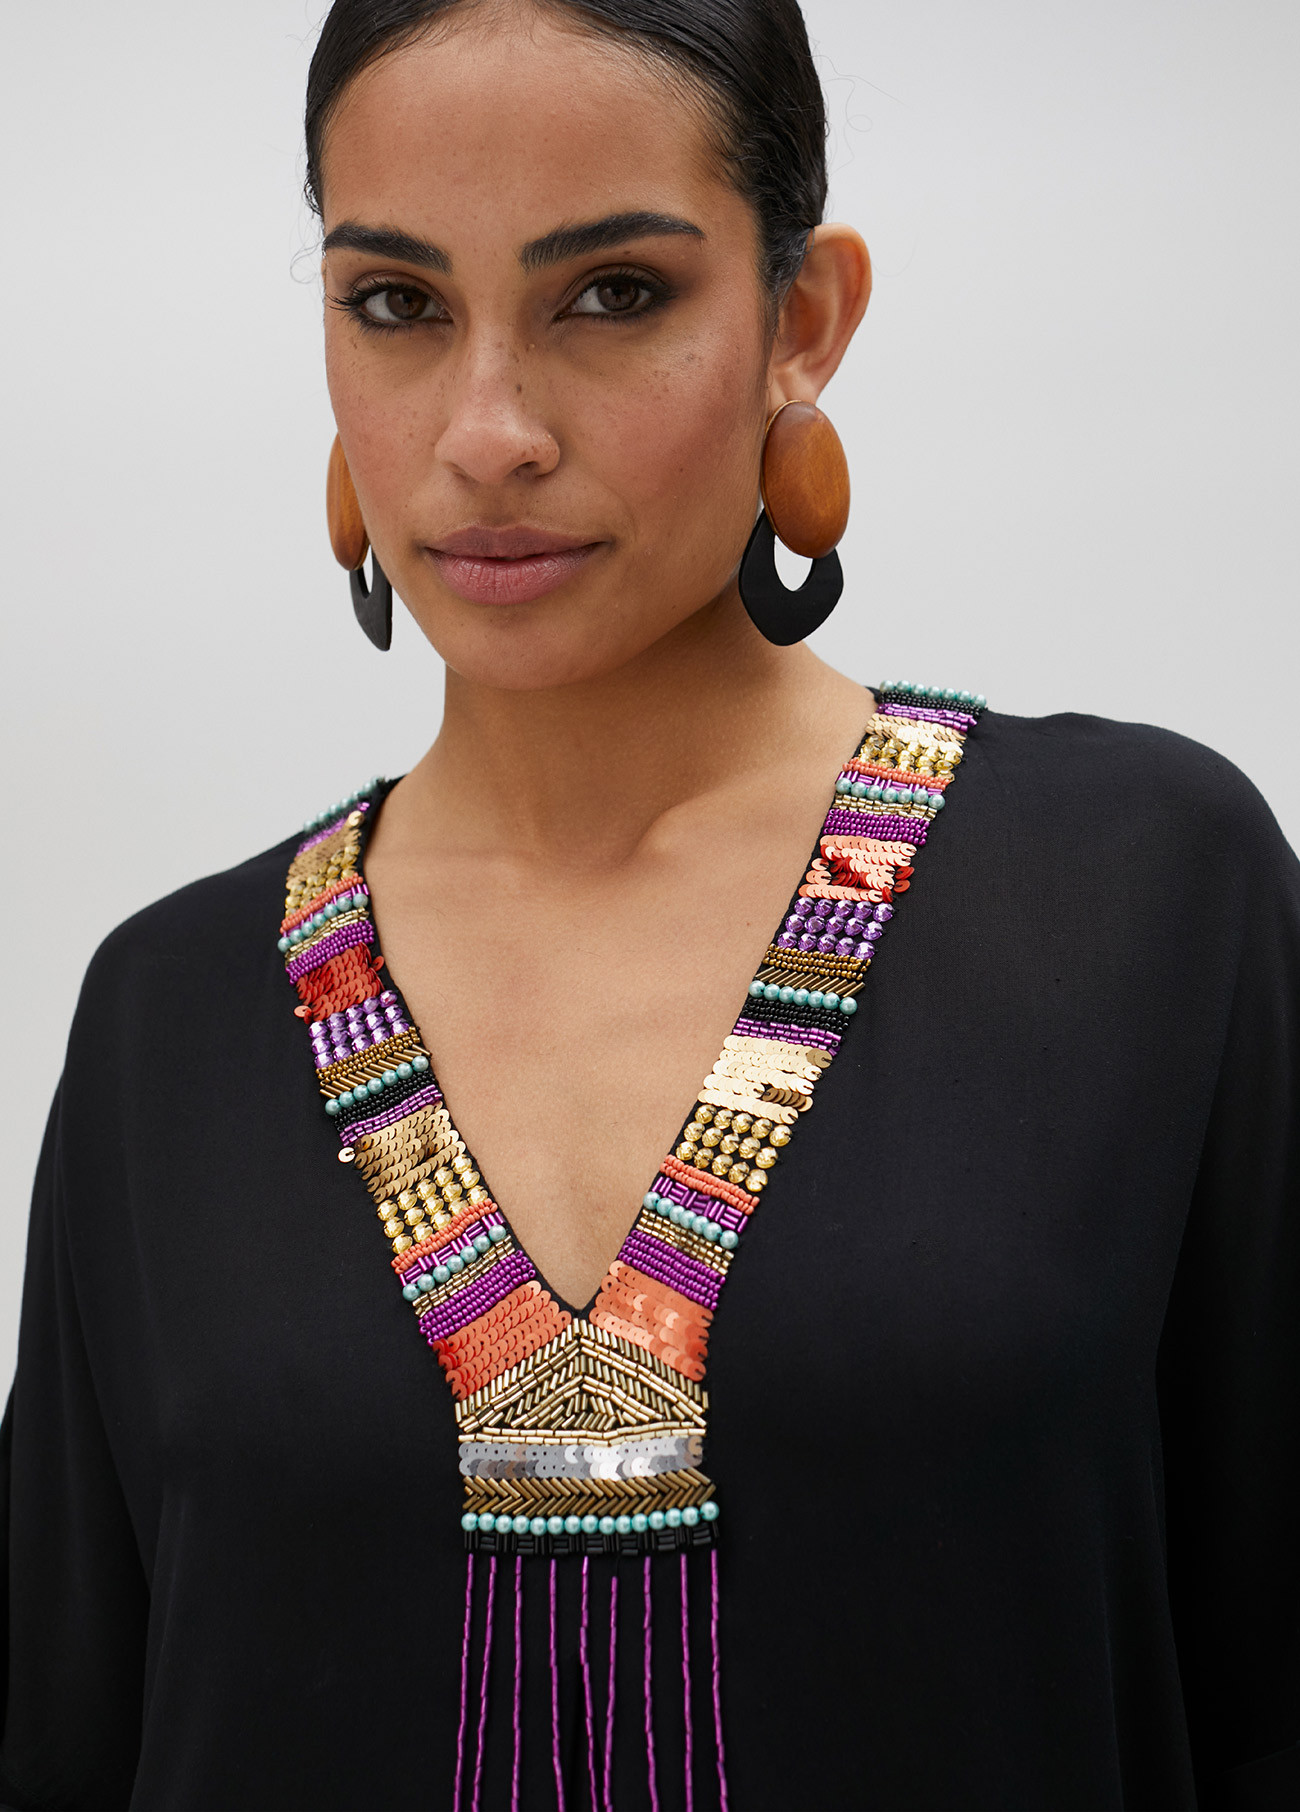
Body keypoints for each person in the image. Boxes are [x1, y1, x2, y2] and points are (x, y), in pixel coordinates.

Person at [3, 2, 1298, 1808]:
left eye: (611, 293)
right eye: (397, 302)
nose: (488, 432)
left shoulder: (1141, 901)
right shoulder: (174, 1015)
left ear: (802, 319)